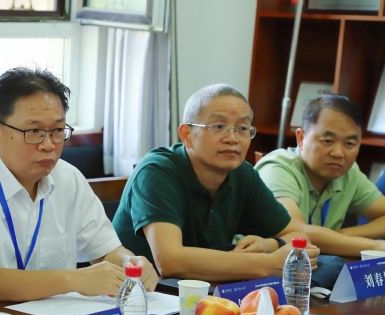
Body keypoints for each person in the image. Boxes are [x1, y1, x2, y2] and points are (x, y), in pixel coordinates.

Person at [0, 67, 158, 302]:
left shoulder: (69, 178)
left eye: (58, 130)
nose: (48, 144)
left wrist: (130, 263)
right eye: (34, 131)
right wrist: (75, 280)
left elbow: (106, 251)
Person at [112, 83, 319, 282]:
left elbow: (298, 236)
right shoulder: (157, 171)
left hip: (207, 292)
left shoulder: (242, 173)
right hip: (141, 294)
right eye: (218, 126)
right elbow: (170, 261)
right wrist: (269, 264)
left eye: (243, 128)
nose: (232, 138)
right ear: (186, 135)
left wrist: (269, 245)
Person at [256, 94, 385, 258]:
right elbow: (294, 233)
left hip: (307, 263)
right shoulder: (278, 168)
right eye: (328, 141)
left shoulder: (349, 172)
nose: (338, 153)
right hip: (254, 265)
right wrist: (375, 246)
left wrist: (342, 235)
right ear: (301, 139)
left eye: (350, 144)